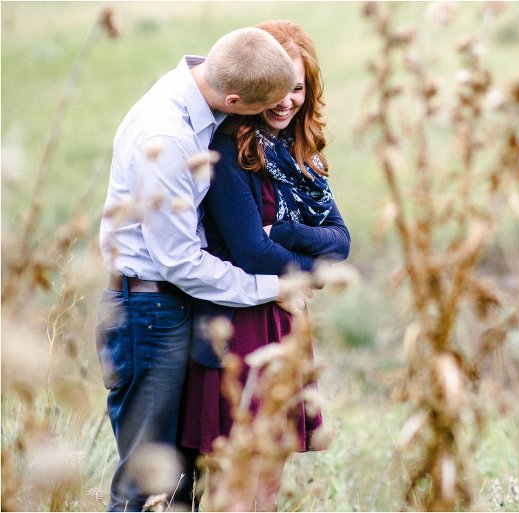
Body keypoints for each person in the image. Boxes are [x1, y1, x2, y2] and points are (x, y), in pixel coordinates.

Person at [96, 27, 308, 511]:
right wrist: (267, 286)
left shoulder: (198, 84)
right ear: (233, 98)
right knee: (146, 481)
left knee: (178, 484)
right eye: (259, 109)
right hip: (148, 310)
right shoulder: (167, 137)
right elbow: (180, 263)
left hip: (170, 306)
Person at [178, 20, 350, 511]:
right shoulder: (229, 149)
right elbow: (252, 251)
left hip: (285, 321)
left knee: (270, 479)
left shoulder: (302, 158)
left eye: (296, 87)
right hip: (239, 325)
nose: (284, 101)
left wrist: (289, 235)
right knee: (241, 480)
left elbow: (340, 244)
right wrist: (310, 266)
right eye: (276, 87)